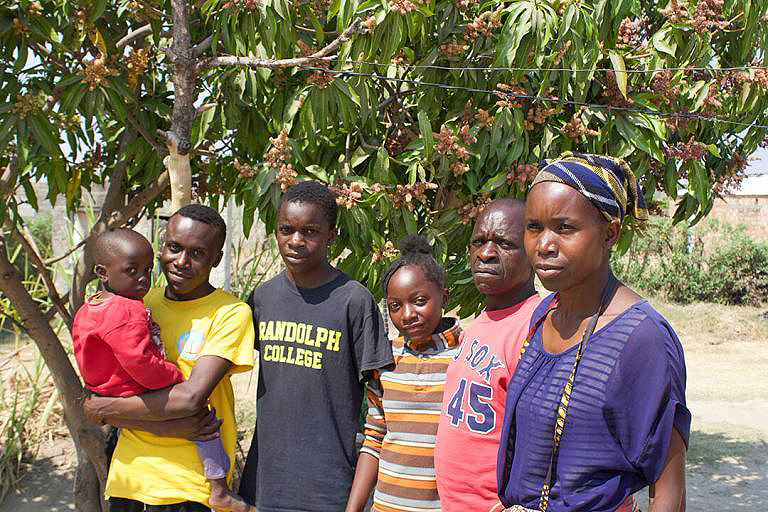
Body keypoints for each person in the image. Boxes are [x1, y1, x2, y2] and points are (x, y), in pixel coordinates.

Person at [496, 153, 690, 512]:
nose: (544, 245)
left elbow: (668, 489)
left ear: (609, 234)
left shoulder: (642, 338)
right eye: (534, 227)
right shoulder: (544, 314)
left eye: (564, 228)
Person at [82, 204, 255, 512]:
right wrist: (166, 427)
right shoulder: (135, 303)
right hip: (129, 476)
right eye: (174, 248)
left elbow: (189, 399)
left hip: (188, 485)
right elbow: (93, 399)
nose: (181, 262)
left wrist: (107, 409)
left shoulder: (230, 313)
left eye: (198, 253)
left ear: (216, 259)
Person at [238, 181, 394, 512]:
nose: (296, 241)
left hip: (330, 487)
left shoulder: (354, 301)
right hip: (268, 482)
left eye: (310, 231)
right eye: (287, 230)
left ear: (332, 235)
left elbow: (382, 402)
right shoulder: (263, 298)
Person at [433, 199, 540, 512]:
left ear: (533, 252)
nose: (485, 253)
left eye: (504, 244)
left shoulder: (536, 329)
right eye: (478, 242)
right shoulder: (481, 323)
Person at [345, 235, 463, 512]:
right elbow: (374, 438)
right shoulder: (386, 360)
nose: (407, 314)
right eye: (395, 306)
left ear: (444, 298)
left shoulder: (467, 357)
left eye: (419, 301)